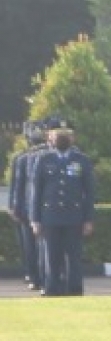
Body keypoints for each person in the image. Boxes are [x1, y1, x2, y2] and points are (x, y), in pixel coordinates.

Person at [32, 125, 95, 296]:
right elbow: (36, 192)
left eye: (65, 137)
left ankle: (75, 288)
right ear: (51, 141)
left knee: (73, 257)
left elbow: (89, 192)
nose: (62, 140)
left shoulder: (81, 160)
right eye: (58, 137)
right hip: (50, 216)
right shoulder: (43, 160)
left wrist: (88, 219)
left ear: (72, 140)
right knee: (52, 256)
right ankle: (52, 288)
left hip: (74, 217)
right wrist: (35, 220)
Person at [11, 120, 49, 291]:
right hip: (28, 209)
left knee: (45, 247)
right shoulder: (23, 159)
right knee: (31, 248)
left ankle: (47, 277)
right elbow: (18, 185)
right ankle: (35, 276)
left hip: (45, 208)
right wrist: (16, 207)